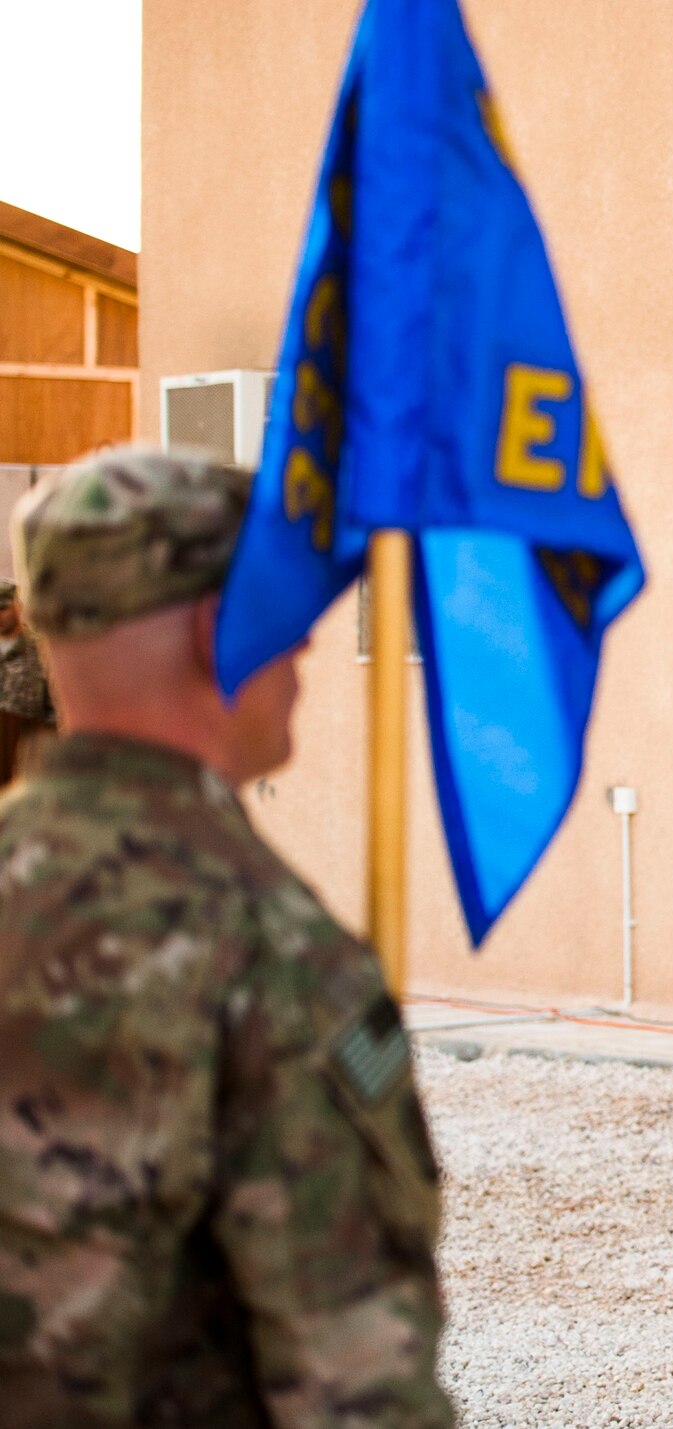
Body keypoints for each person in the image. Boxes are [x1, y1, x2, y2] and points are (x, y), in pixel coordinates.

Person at [0, 447, 455, 1427]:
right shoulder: (267, 950)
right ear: (221, 628)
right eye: (287, 615)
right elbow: (357, 1382)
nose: (304, 650)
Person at [0, 576, 57, 784]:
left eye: (3, 608)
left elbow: (55, 711)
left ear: (18, 607)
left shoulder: (41, 651)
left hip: (24, 762)